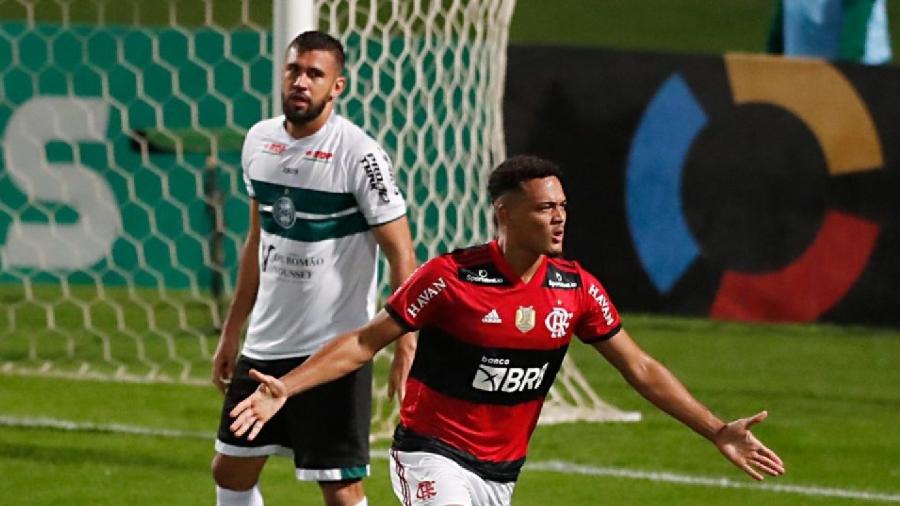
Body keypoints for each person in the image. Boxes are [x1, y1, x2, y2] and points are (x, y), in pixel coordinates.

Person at [226, 155, 785, 505]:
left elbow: (639, 368)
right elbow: (364, 341)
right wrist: (287, 386)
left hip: (501, 473)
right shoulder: (450, 277)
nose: (560, 217)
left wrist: (714, 429)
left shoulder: (577, 289)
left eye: (563, 206)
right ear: (506, 215)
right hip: (431, 454)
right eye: (545, 208)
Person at [210, 30, 417, 506]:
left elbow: (402, 254)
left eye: (314, 74)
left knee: (341, 488)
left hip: (333, 349)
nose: (301, 82)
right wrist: (231, 331)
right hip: (265, 343)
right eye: (294, 70)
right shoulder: (258, 141)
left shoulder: (359, 155)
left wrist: (407, 341)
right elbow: (256, 240)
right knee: (231, 470)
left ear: (337, 87)